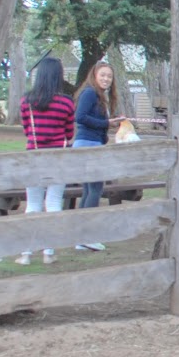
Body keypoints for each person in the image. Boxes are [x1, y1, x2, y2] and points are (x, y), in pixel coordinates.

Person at [16, 56, 76, 266]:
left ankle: (26, 252)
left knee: (33, 204)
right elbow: (69, 133)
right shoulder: (67, 102)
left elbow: (27, 130)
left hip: (34, 156)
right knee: (53, 202)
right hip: (58, 158)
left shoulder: (27, 102)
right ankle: (48, 252)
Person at [72, 59, 126, 251]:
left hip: (94, 143)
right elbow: (80, 117)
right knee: (95, 189)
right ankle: (88, 235)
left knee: (89, 190)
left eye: (109, 76)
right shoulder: (89, 93)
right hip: (87, 144)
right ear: (94, 76)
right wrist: (107, 123)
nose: (106, 79)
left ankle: (81, 237)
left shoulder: (100, 96)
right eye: (103, 75)